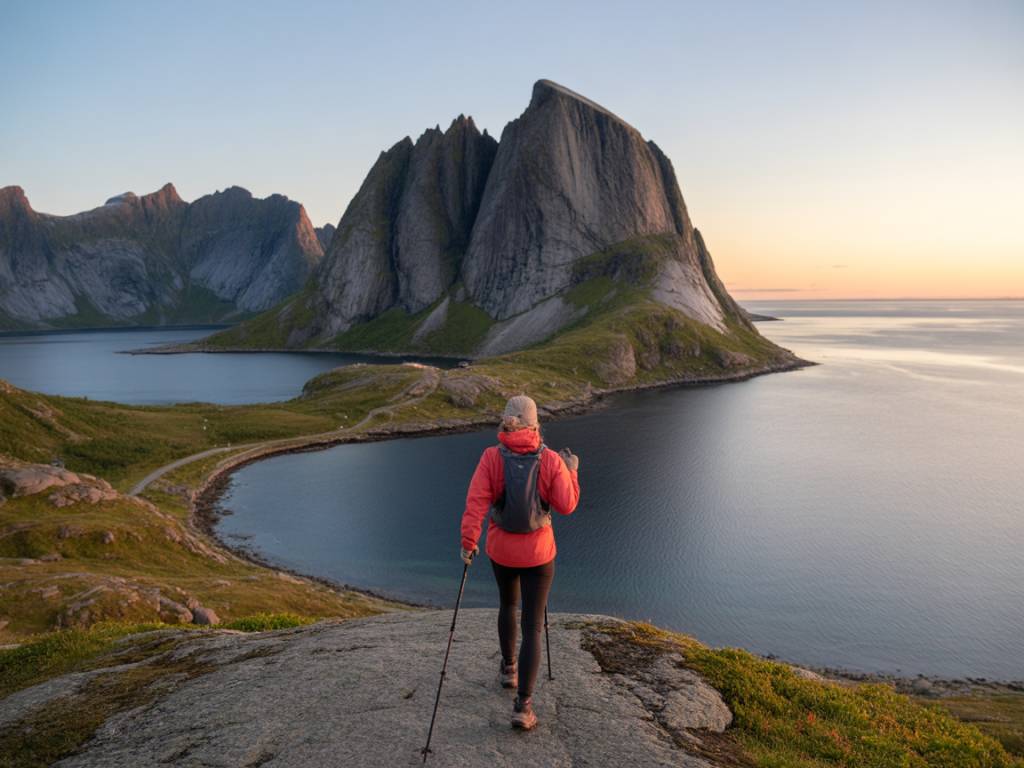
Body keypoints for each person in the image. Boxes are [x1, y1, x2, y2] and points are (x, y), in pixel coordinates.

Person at [459, 394, 580, 730]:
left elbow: (476, 503)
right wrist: (572, 472)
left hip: (501, 550)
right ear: (535, 424)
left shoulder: (491, 458)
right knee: (532, 626)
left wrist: (469, 542)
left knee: (507, 605)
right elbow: (567, 505)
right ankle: (523, 707)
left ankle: (509, 669)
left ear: (506, 421)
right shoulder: (552, 460)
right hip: (539, 554)